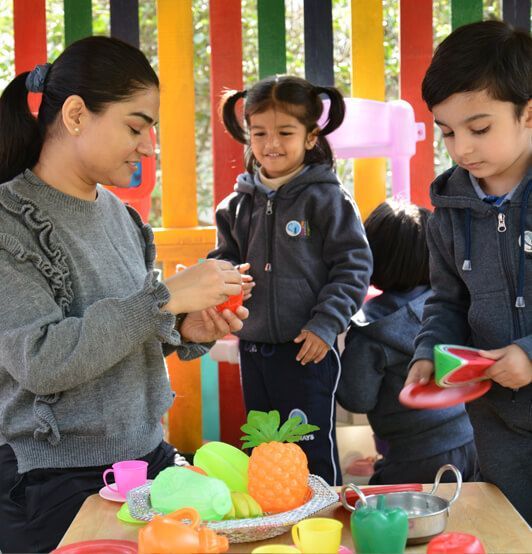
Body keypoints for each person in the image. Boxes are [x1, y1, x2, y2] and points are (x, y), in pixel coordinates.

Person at [0, 36, 247, 553]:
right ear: (75, 115)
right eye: (135, 127)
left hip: (143, 460)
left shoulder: (123, 217)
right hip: (52, 480)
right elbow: (41, 361)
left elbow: (121, 340)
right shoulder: (11, 221)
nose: (148, 146)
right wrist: (162, 301)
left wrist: (184, 328)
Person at [208, 75, 372, 485]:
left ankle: (323, 517)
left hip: (307, 350)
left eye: (285, 132)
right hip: (253, 349)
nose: (271, 144)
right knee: (264, 451)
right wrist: (227, 280)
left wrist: (326, 324)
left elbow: (353, 267)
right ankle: (273, 518)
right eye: (259, 133)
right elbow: (222, 260)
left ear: (311, 136)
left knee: (309, 452)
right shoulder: (236, 205)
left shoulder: (327, 199)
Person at [404, 20, 532, 523]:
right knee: (511, 528)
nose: (461, 149)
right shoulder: (449, 213)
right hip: (496, 421)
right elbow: (447, 301)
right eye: (447, 132)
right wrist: (428, 352)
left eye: (479, 129)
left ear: (528, 114)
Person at [337, 200, 477, 484]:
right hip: (473, 440)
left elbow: (356, 398)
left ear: (370, 254)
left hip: (414, 456)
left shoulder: (370, 329)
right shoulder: (452, 307)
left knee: (388, 507)